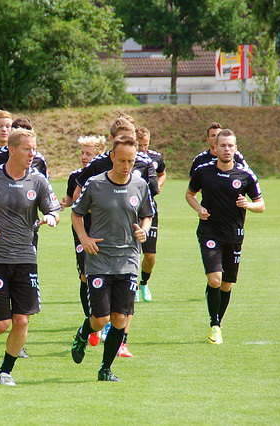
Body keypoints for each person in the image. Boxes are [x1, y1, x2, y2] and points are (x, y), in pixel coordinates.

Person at [0, 128, 61, 386]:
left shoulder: (38, 180)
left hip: (26, 256)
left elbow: (54, 210)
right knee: (2, 323)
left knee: (22, 319)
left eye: (34, 149)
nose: (32, 154)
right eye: (27, 149)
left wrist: (51, 216)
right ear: (12, 150)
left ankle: (5, 371)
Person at [70, 135, 154, 382]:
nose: (126, 166)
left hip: (128, 258)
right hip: (99, 259)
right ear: (112, 158)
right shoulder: (95, 184)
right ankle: (83, 333)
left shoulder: (140, 185)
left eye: (131, 161)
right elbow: (76, 214)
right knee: (101, 318)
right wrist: (84, 238)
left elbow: (147, 214)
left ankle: (105, 369)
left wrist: (144, 229)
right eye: (122, 161)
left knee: (119, 318)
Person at [186, 129, 264, 344]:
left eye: (230, 146)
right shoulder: (203, 171)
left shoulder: (246, 175)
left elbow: (261, 205)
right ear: (216, 148)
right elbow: (190, 194)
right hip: (209, 232)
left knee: (226, 284)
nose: (227, 149)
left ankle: (218, 321)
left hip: (234, 235)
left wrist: (248, 204)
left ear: (235, 149)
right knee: (215, 278)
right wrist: (199, 209)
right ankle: (214, 324)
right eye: (223, 145)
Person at [60, 135, 106, 346]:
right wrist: (64, 203)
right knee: (85, 275)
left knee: (106, 273)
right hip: (82, 229)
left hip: (104, 229)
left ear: (100, 153)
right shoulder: (75, 176)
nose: (84, 157)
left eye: (89, 153)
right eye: (82, 153)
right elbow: (72, 198)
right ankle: (92, 320)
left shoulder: (107, 175)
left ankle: (103, 321)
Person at [136, 126, 167, 302]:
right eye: (139, 145)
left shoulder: (156, 157)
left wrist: (159, 183)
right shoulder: (129, 157)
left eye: (145, 145)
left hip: (148, 209)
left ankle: (144, 282)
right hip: (129, 209)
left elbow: (162, 173)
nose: (142, 149)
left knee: (150, 254)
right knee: (132, 251)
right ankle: (132, 286)